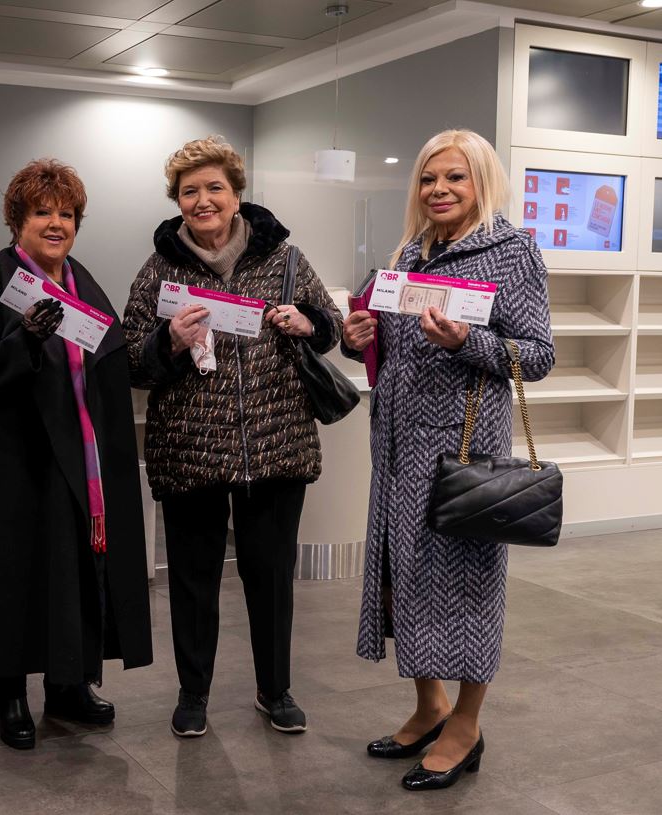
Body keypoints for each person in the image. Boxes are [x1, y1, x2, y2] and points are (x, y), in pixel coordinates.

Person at [342, 129, 554, 791]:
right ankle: (428, 703)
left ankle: (464, 722)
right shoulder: (409, 252)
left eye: (454, 178)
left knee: (463, 588)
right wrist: (358, 340)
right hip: (398, 450)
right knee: (404, 579)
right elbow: (388, 345)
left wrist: (469, 340)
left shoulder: (511, 252)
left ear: (480, 182)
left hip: (463, 453)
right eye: (429, 179)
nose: (438, 190)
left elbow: (536, 355)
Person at [123, 135, 344, 738]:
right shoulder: (159, 268)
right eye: (189, 191)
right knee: (192, 583)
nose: (203, 200)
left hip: (276, 445)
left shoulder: (286, 260)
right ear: (177, 200)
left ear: (236, 193)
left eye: (214, 187)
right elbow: (129, 363)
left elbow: (330, 328)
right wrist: (167, 341)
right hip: (190, 450)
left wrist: (307, 321)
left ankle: (276, 691)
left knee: (270, 580)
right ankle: (193, 694)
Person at [0, 159, 153, 751]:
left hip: (80, 458)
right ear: (18, 220)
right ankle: (11, 693)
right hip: (17, 461)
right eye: (42, 212)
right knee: (16, 570)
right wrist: (26, 338)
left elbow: (114, 359)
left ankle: (69, 684)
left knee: (74, 570)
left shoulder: (84, 283)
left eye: (66, 214)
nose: (55, 223)